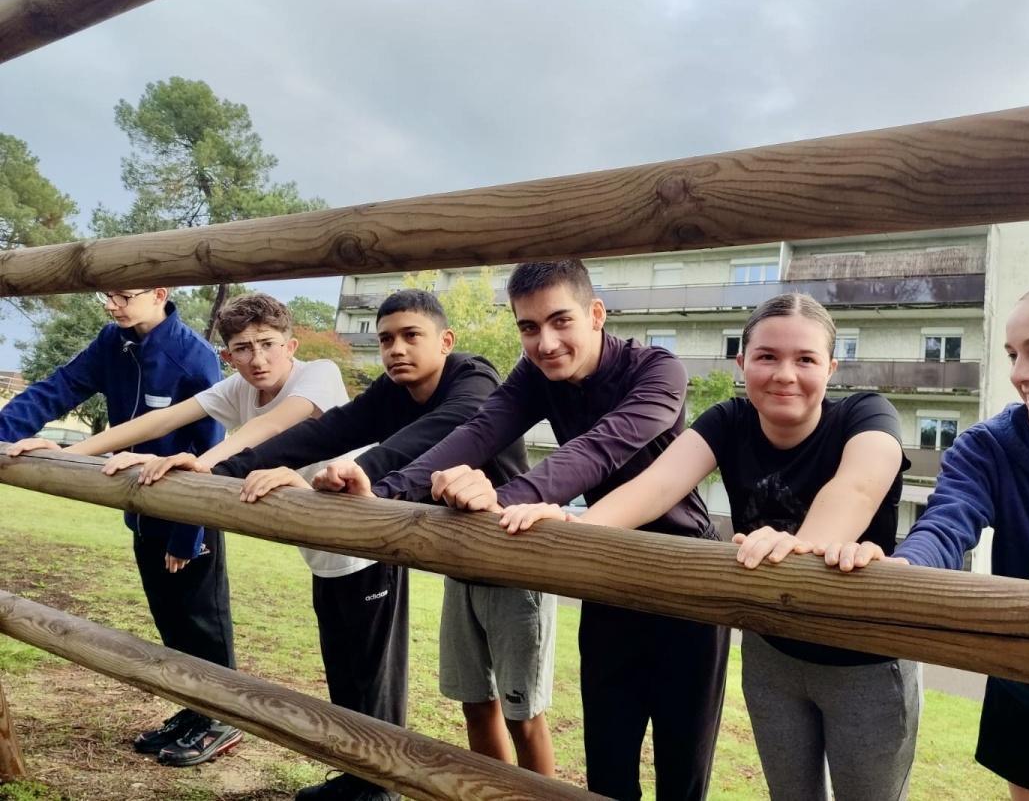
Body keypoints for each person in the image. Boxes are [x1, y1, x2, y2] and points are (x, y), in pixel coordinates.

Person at [319, 260, 730, 801]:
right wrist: (382, 487)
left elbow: (602, 448)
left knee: (682, 762)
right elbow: (479, 431)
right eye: (529, 327)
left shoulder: (659, 371)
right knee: (608, 754)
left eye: (561, 321)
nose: (546, 341)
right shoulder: (534, 376)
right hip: (603, 565)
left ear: (596, 314)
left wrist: (507, 499)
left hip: (684, 572)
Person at [500, 291, 920, 801]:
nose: (785, 374)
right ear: (742, 363)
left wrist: (797, 545)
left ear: (831, 367)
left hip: (865, 663)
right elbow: (655, 487)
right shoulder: (729, 420)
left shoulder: (867, 414)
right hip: (775, 652)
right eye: (767, 357)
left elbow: (855, 488)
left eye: (805, 359)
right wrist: (569, 521)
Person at [213, 289, 541, 801]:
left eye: (412, 336)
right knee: (477, 704)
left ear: (445, 341)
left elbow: (443, 435)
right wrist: (221, 468)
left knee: (524, 714)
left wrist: (362, 474)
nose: (397, 350)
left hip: (516, 558)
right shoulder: (392, 392)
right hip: (460, 561)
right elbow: (325, 431)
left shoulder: (473, 379)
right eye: (386, 339)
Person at [824, 272, 1029, 801]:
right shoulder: (989, 447)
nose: (1021, 373)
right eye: (1012, 354)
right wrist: (905, 571)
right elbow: (948, 522)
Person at [0, 287, 235, 766]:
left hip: (189, 518)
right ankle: (195, 708)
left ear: (159, 294)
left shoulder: (193, 357)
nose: (112, 304)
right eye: (108, 294)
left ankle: (223, 718)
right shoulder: (114, 341)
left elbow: (210, 451)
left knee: (201, 622)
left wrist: (188, 533)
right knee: (169, 618)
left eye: (125, 295)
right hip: (139, 509)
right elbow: (57, 388)